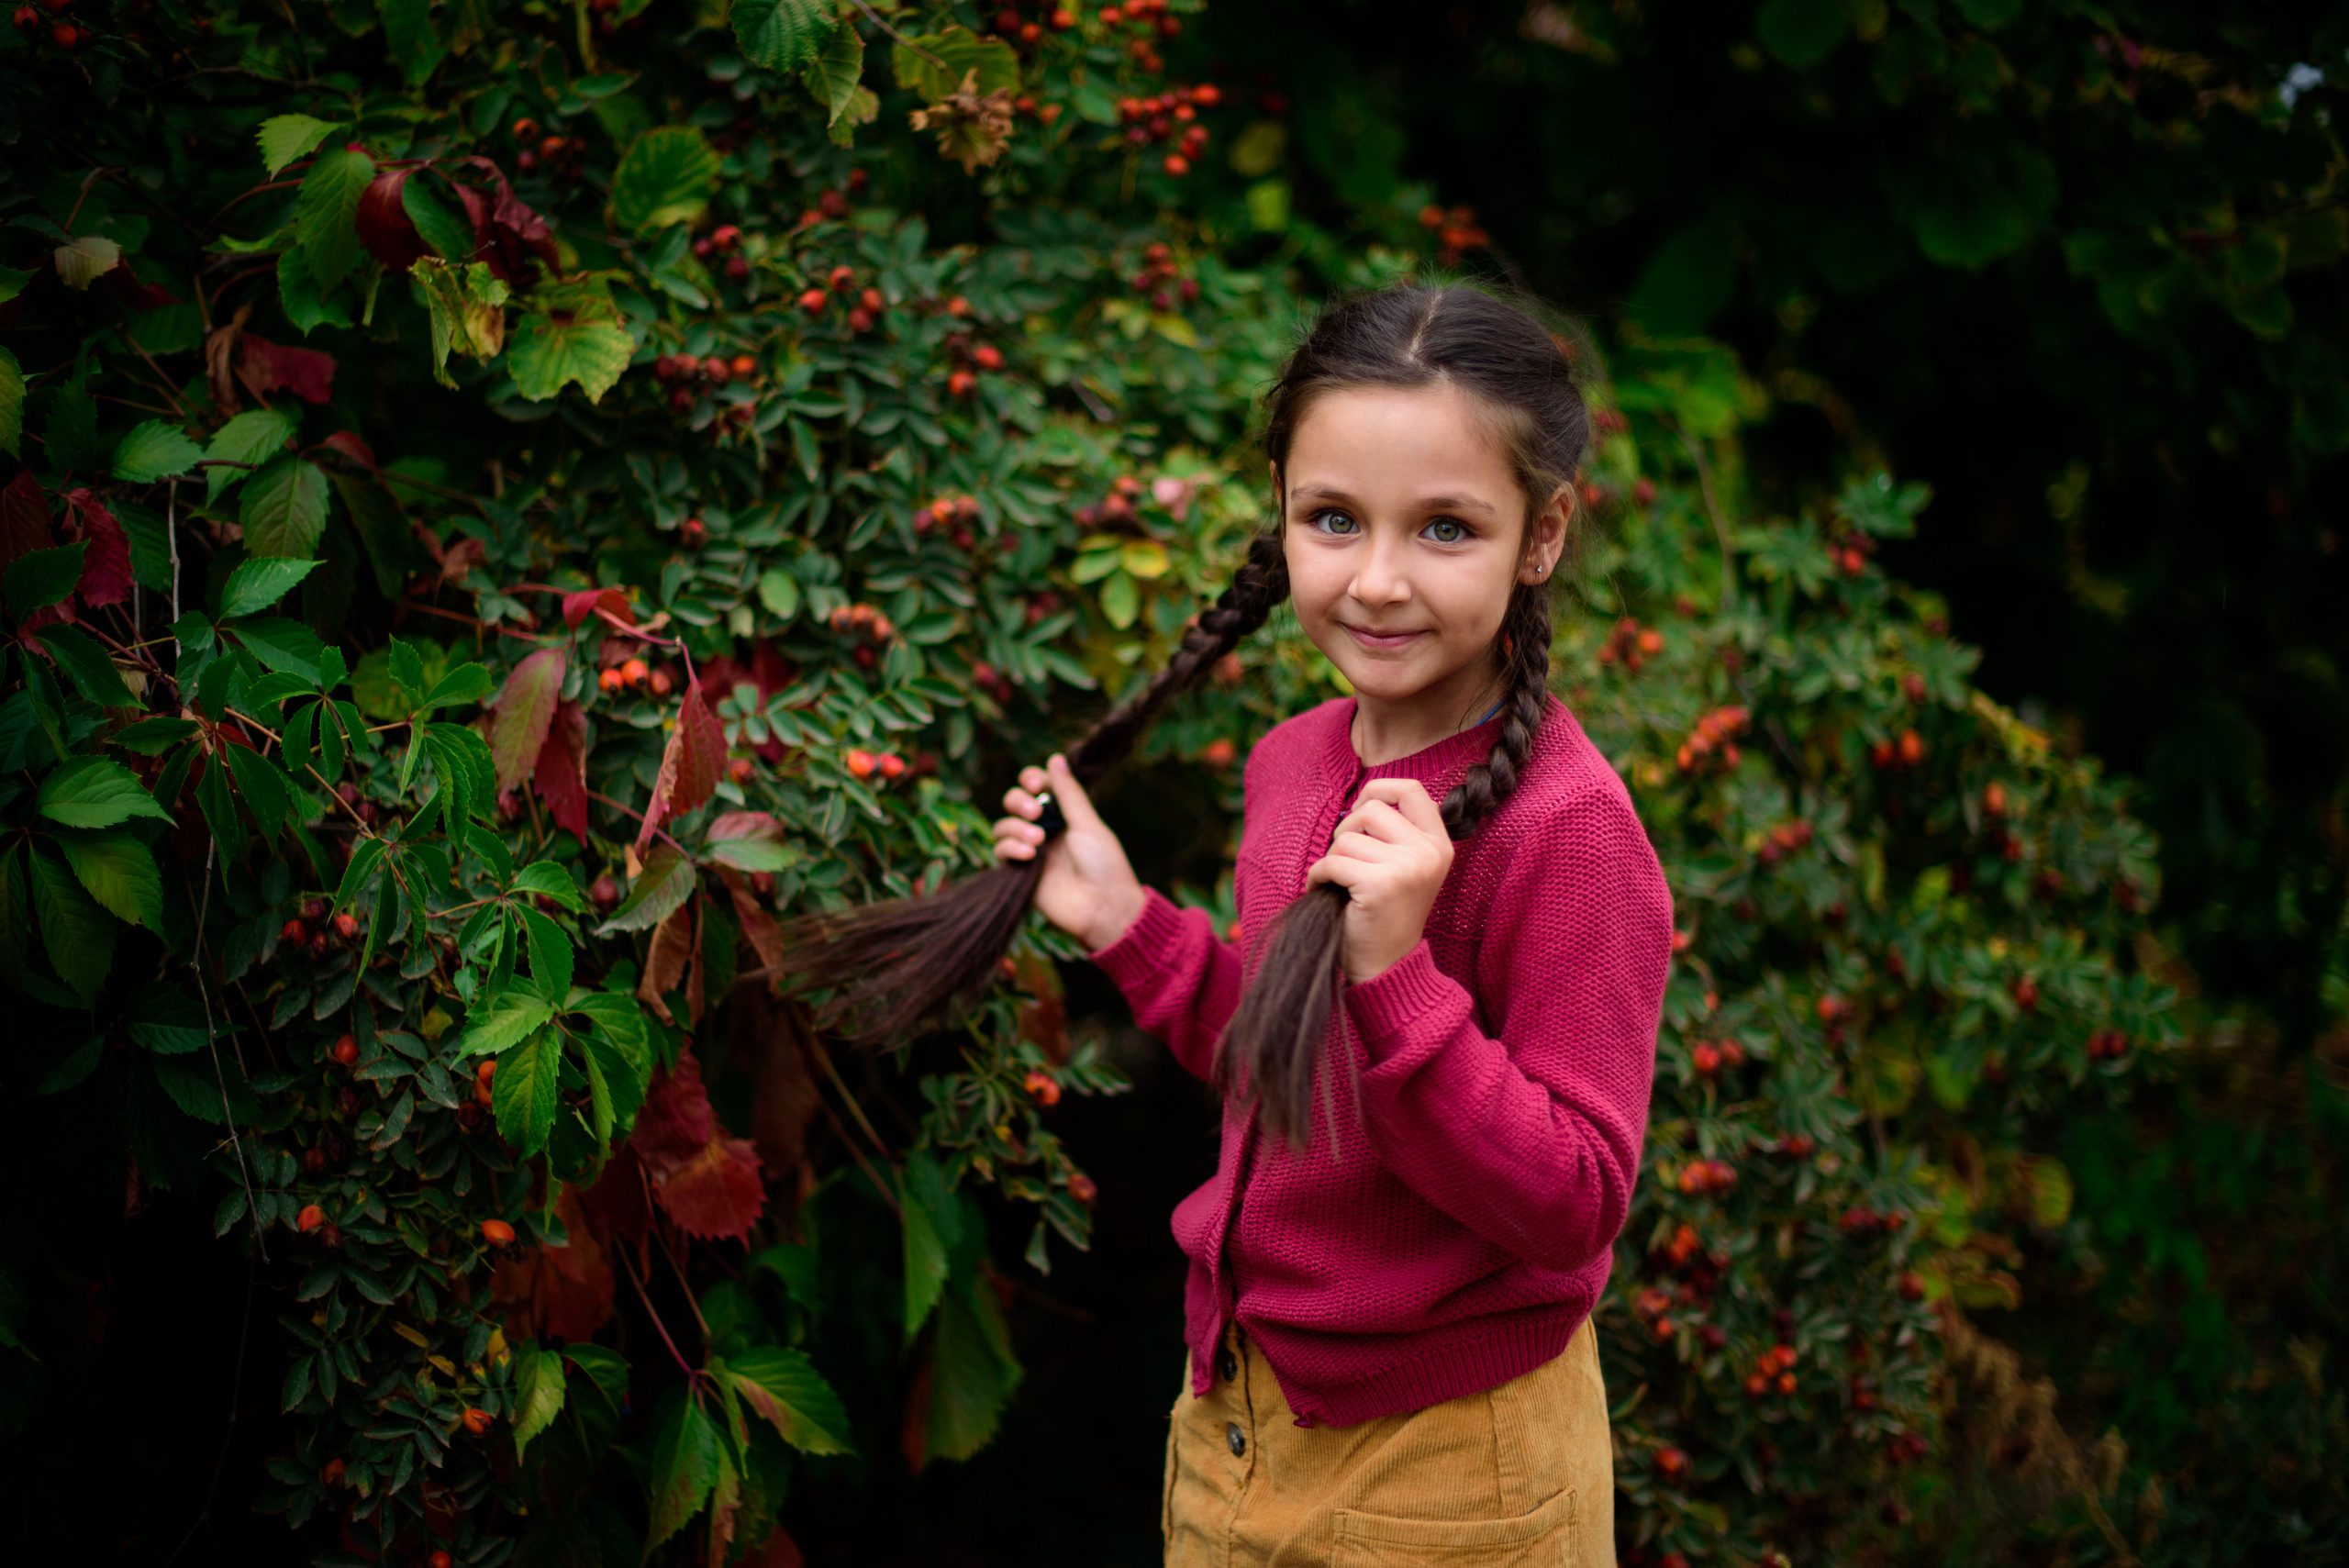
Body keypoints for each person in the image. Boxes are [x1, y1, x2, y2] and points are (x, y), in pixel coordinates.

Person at [991, 284, 1673, 1568]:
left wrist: (1401, 977)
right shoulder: (1294, 764)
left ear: (1544, 534)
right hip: (1241, 1414)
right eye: (1335, 519)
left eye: (1447, 529)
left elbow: (1576, 1200)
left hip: (1448, 1466)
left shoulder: (1566, 831)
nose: (1377, 579)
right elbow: (1287, 1056)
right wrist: (1127, 919)